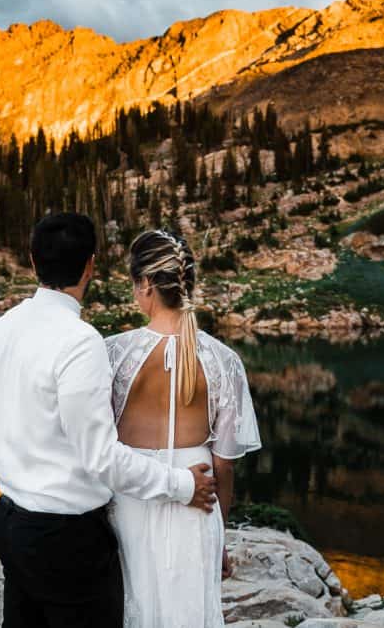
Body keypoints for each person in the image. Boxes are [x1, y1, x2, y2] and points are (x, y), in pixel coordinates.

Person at [0, 213, 218, 628]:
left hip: (9, 523)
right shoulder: (79, 342)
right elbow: (101, 457)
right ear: (90, 265)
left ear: (33, 262)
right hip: (66, 539)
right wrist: (183, 485)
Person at [105, 229, 262, 628]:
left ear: (145, 284)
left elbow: (97, 449)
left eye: (134, 283)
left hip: (131, 502)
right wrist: (220, 537)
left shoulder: (113, 355)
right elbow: (225, 467)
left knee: (131, 607)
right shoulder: (223, 361)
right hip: (201, 505)